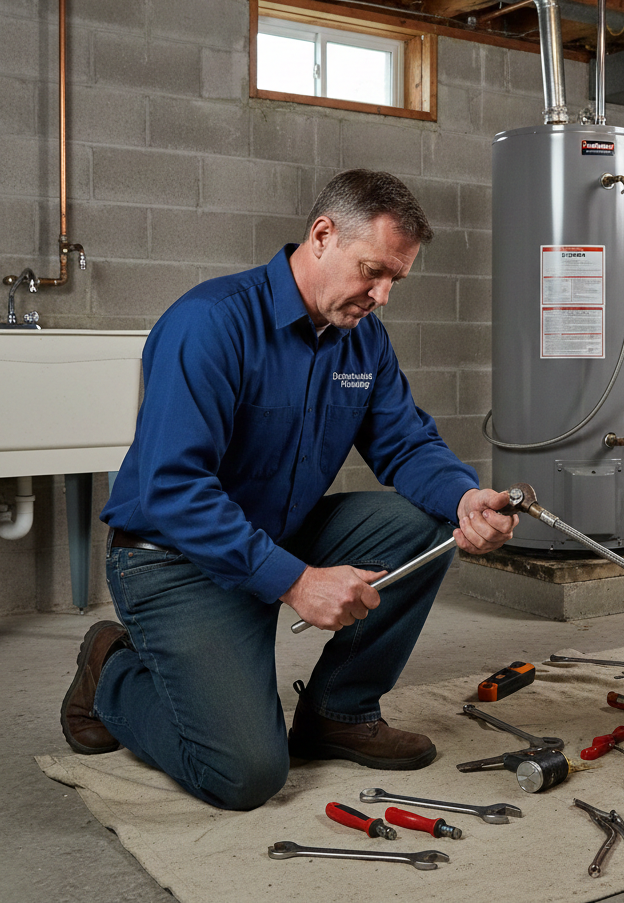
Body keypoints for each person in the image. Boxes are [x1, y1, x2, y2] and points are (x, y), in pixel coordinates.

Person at [60, 169, 518, 809]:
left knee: (424, 522)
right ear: (323, 236)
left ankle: (338, 711)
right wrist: (296, 582)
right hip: (173, 559)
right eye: (372, 271)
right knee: (244, 775)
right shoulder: (210, 324)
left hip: (274, 533)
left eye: (396, 280)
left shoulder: (363, 341)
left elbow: (407, 444)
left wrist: (466, 500)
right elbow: (173, 487)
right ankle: (110, 669)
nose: (382, 295)